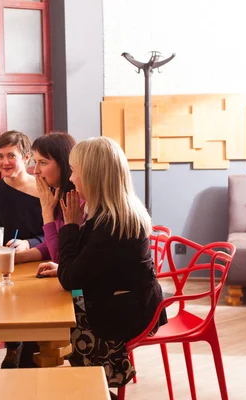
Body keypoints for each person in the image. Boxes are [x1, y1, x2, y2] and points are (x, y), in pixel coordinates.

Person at [37, 137, 167, 395]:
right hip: (121, 300)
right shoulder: (108, 213)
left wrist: (71, 226)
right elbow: (75, 268)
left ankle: (90, 389)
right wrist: (65, 267)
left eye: (75, 172)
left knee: (48, 325)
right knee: (46, 317)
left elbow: (71, 279)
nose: (71, 179)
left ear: (93, 175)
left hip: (128, 312)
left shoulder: (112, 223)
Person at [0, 130, 44, 255]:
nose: (5, 162)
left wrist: (28, 243)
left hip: (36, 261)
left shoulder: (44, 190)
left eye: (11, 156)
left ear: (26, 157)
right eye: (0, 156)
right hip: (0, 263)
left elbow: (53, 235)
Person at [14, 132, 76, 265]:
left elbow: (59, 258)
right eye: (35, 162)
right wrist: (16, 258)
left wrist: (47, 211)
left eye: (43, 162)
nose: (35, 170)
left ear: (64, 164)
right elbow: (52, 243)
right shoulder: (59, 195)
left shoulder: (76, 201)